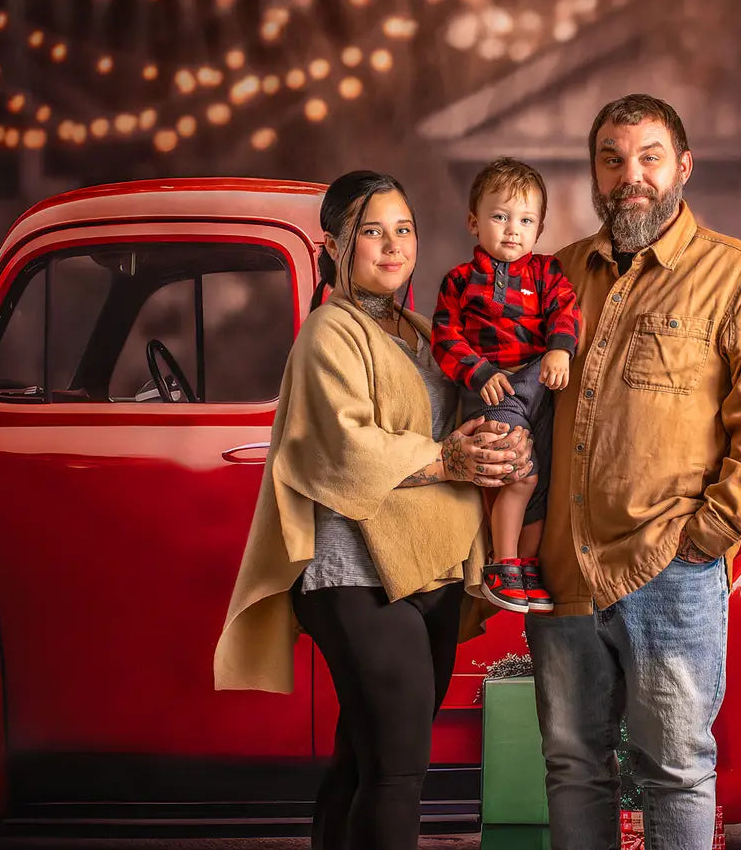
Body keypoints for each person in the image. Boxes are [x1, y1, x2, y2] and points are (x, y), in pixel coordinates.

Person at [213, 170, 532, 850]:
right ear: (334, 245)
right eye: (372, 232)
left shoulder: (423, 332)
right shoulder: (331, 331)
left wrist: (502, 441)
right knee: (398, 771)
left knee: (363, 759)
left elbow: (473, 413)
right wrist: (447, 460)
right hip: (354, 575)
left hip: (430, 569)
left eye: (404, 229)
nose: (393, 246)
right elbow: (342, 446)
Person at [527, 94, 741, 849]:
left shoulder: (735, 277)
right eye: (612, 160)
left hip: (669, 569)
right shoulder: (554, 277)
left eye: (649, 157)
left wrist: (706, 536)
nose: (631, 177)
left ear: (683, 166)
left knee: (676, 766)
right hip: (563, 573)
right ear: (594, 172)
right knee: (571, 764)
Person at [432, 157, 582, 614]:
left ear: (539, 229)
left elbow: (566, 310)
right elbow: (445, 337)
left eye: (525, 220)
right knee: (518, 471)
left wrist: (560, 348)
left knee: (541, 485)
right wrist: (478, 371)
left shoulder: (547, 272)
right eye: (499, 217)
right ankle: (503, 563)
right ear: (475, 222)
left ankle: (529, 568)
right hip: (491, 389)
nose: (512, 229)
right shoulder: (459, 280)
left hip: (538, 388)